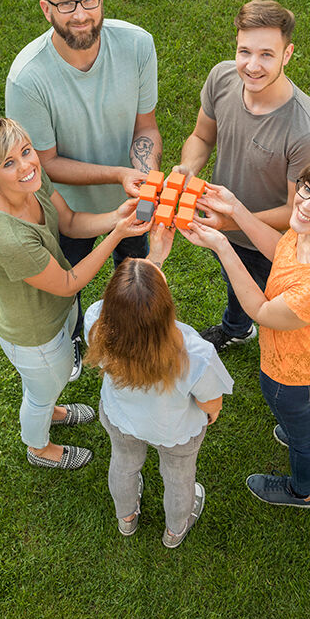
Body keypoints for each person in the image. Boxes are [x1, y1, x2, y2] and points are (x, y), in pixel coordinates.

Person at [180, 153, 310, 508]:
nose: (305, 204)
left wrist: (223, 246)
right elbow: (281, 250)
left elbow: (261, 311)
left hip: (292, 375)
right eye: (306, 188)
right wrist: (236, 209)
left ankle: (303, 490)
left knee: (304, 440)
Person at [6, 0, 162, 367]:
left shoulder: (137, 45)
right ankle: (75, 337)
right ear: (47, 9)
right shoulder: (28, 78)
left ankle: (128, 340)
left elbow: (145, 127)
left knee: (133, 274)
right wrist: (118, 173)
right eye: (66, 4)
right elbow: (44, 162)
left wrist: (144, 181)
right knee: (69, 285)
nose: (80, 14)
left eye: (89, 0)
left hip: (131, 201)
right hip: (68, 210)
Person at [0, 117, 152, 471]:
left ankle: (50, 406)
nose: (26, 165)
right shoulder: (9, 239)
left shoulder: (30, 181)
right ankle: (38, 447)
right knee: (40, 391)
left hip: (56, 310)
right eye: (9, 163)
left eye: (25, 151)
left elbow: (67, 221)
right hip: (34, 331)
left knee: (47, 384)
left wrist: (115, 217)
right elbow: (69, 283)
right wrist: (117, 235)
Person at [174, 0, 310, 353]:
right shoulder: (222, 78)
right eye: (245, 51)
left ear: (287, 54)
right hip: (223, 225)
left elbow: (298, 213)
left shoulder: (306, 132)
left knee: (276, 311)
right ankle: (238, 327)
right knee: (234, 278)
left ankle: (295, 366)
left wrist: (231, 222)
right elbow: (201, 136)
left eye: (266, 55)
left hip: (268, 243)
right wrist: (187, 169)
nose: (252, 66)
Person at [83, 225, 234, 547]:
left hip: (120, 419)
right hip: (176, 430)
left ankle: (126, 519)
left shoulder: (96, 322)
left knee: (123, 464)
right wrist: (211, 414)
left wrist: (156, 257)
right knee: (179, 480)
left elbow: (130, 302)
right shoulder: (195, 353)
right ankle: (174, 530)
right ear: (165, 308)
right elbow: (211, 402)